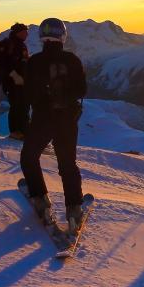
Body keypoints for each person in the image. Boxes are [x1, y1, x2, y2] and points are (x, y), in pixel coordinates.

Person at [20, 18, 87, 231]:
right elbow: (82, 90)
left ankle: (40, 199)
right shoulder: (72, 60)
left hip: (42, 119)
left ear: (42, 37)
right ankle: (74, 208)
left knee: (29, 157)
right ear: (62, 36)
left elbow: (27, 94)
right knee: (67, 163)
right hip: (67, 120)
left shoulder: (35, 61)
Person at [0, 22, 30, 139]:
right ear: (18, 33)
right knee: (18, 106)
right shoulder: (12, 45)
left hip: (20, 82)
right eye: (24, 32)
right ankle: (17, 131)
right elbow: (6, 65)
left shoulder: (19, 45)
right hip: (13, 83)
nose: (27, 34)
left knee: (22, 106)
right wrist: (15, 76)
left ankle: (22, 131)